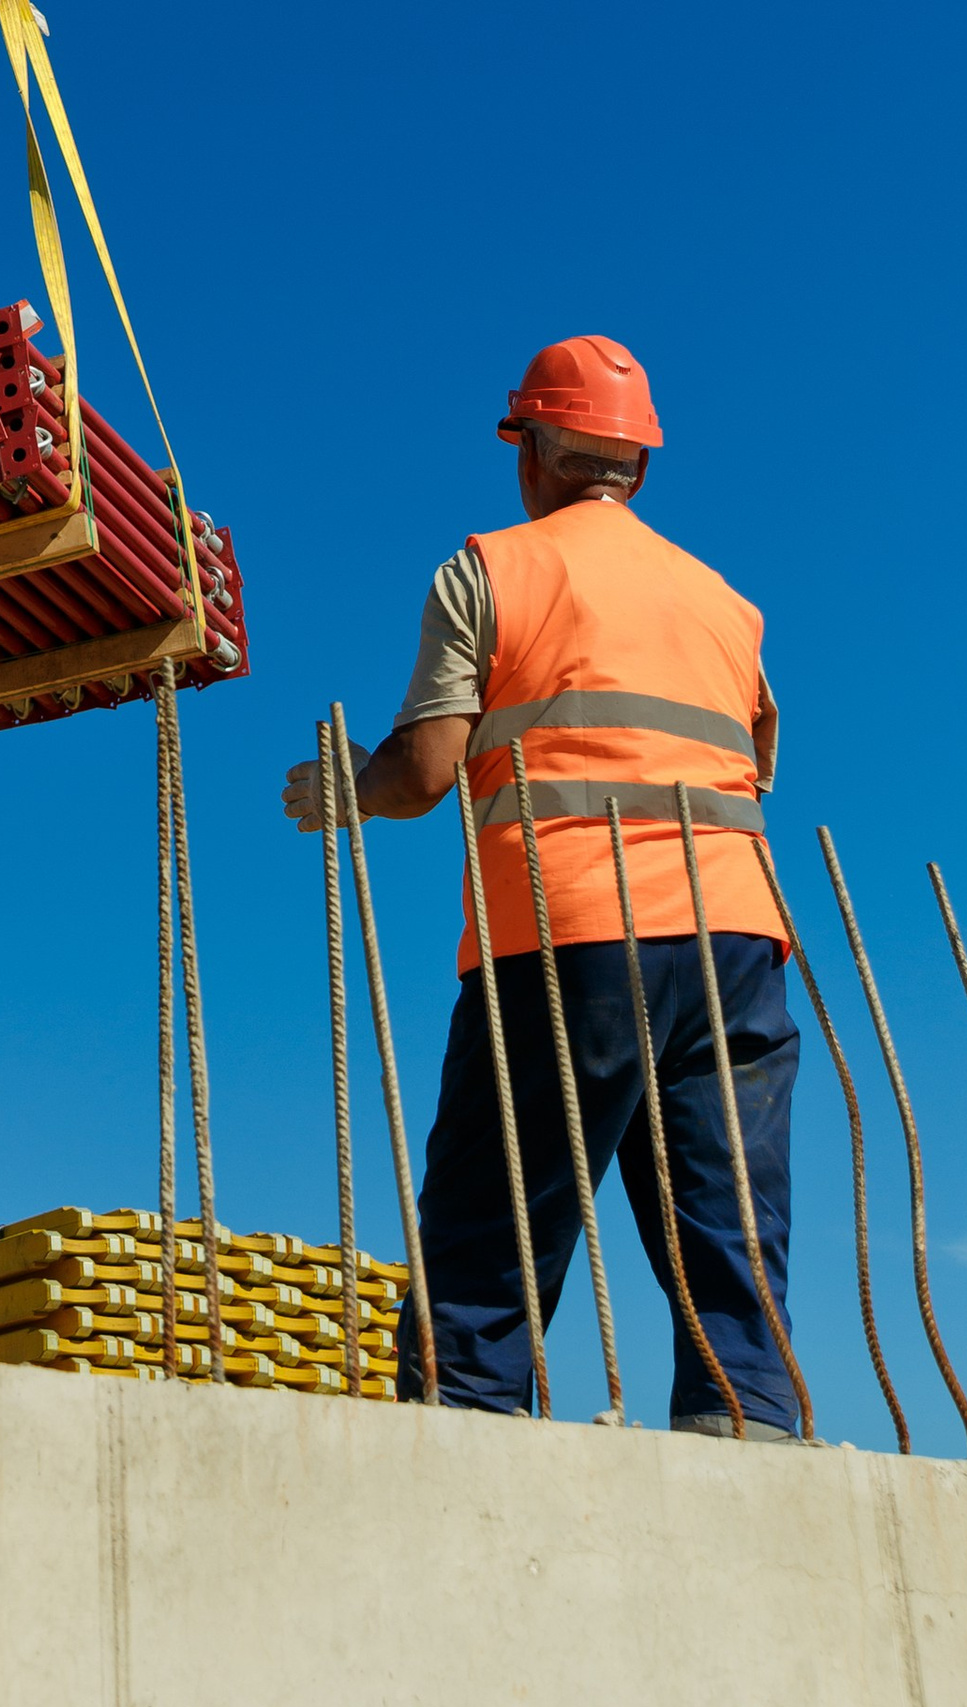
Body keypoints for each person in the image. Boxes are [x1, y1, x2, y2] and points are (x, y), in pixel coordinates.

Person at [283, 334, 800, 1435]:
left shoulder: (492, 569)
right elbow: (749, 768)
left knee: (494, 1228)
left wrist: (344, 789)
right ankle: (748, 1432)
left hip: (570, 933)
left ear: (531, 451)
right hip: (738, 941)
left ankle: (463, 1438)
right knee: (730, 1231)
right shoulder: (725, 603)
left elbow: (424, 773)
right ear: (638, 464)